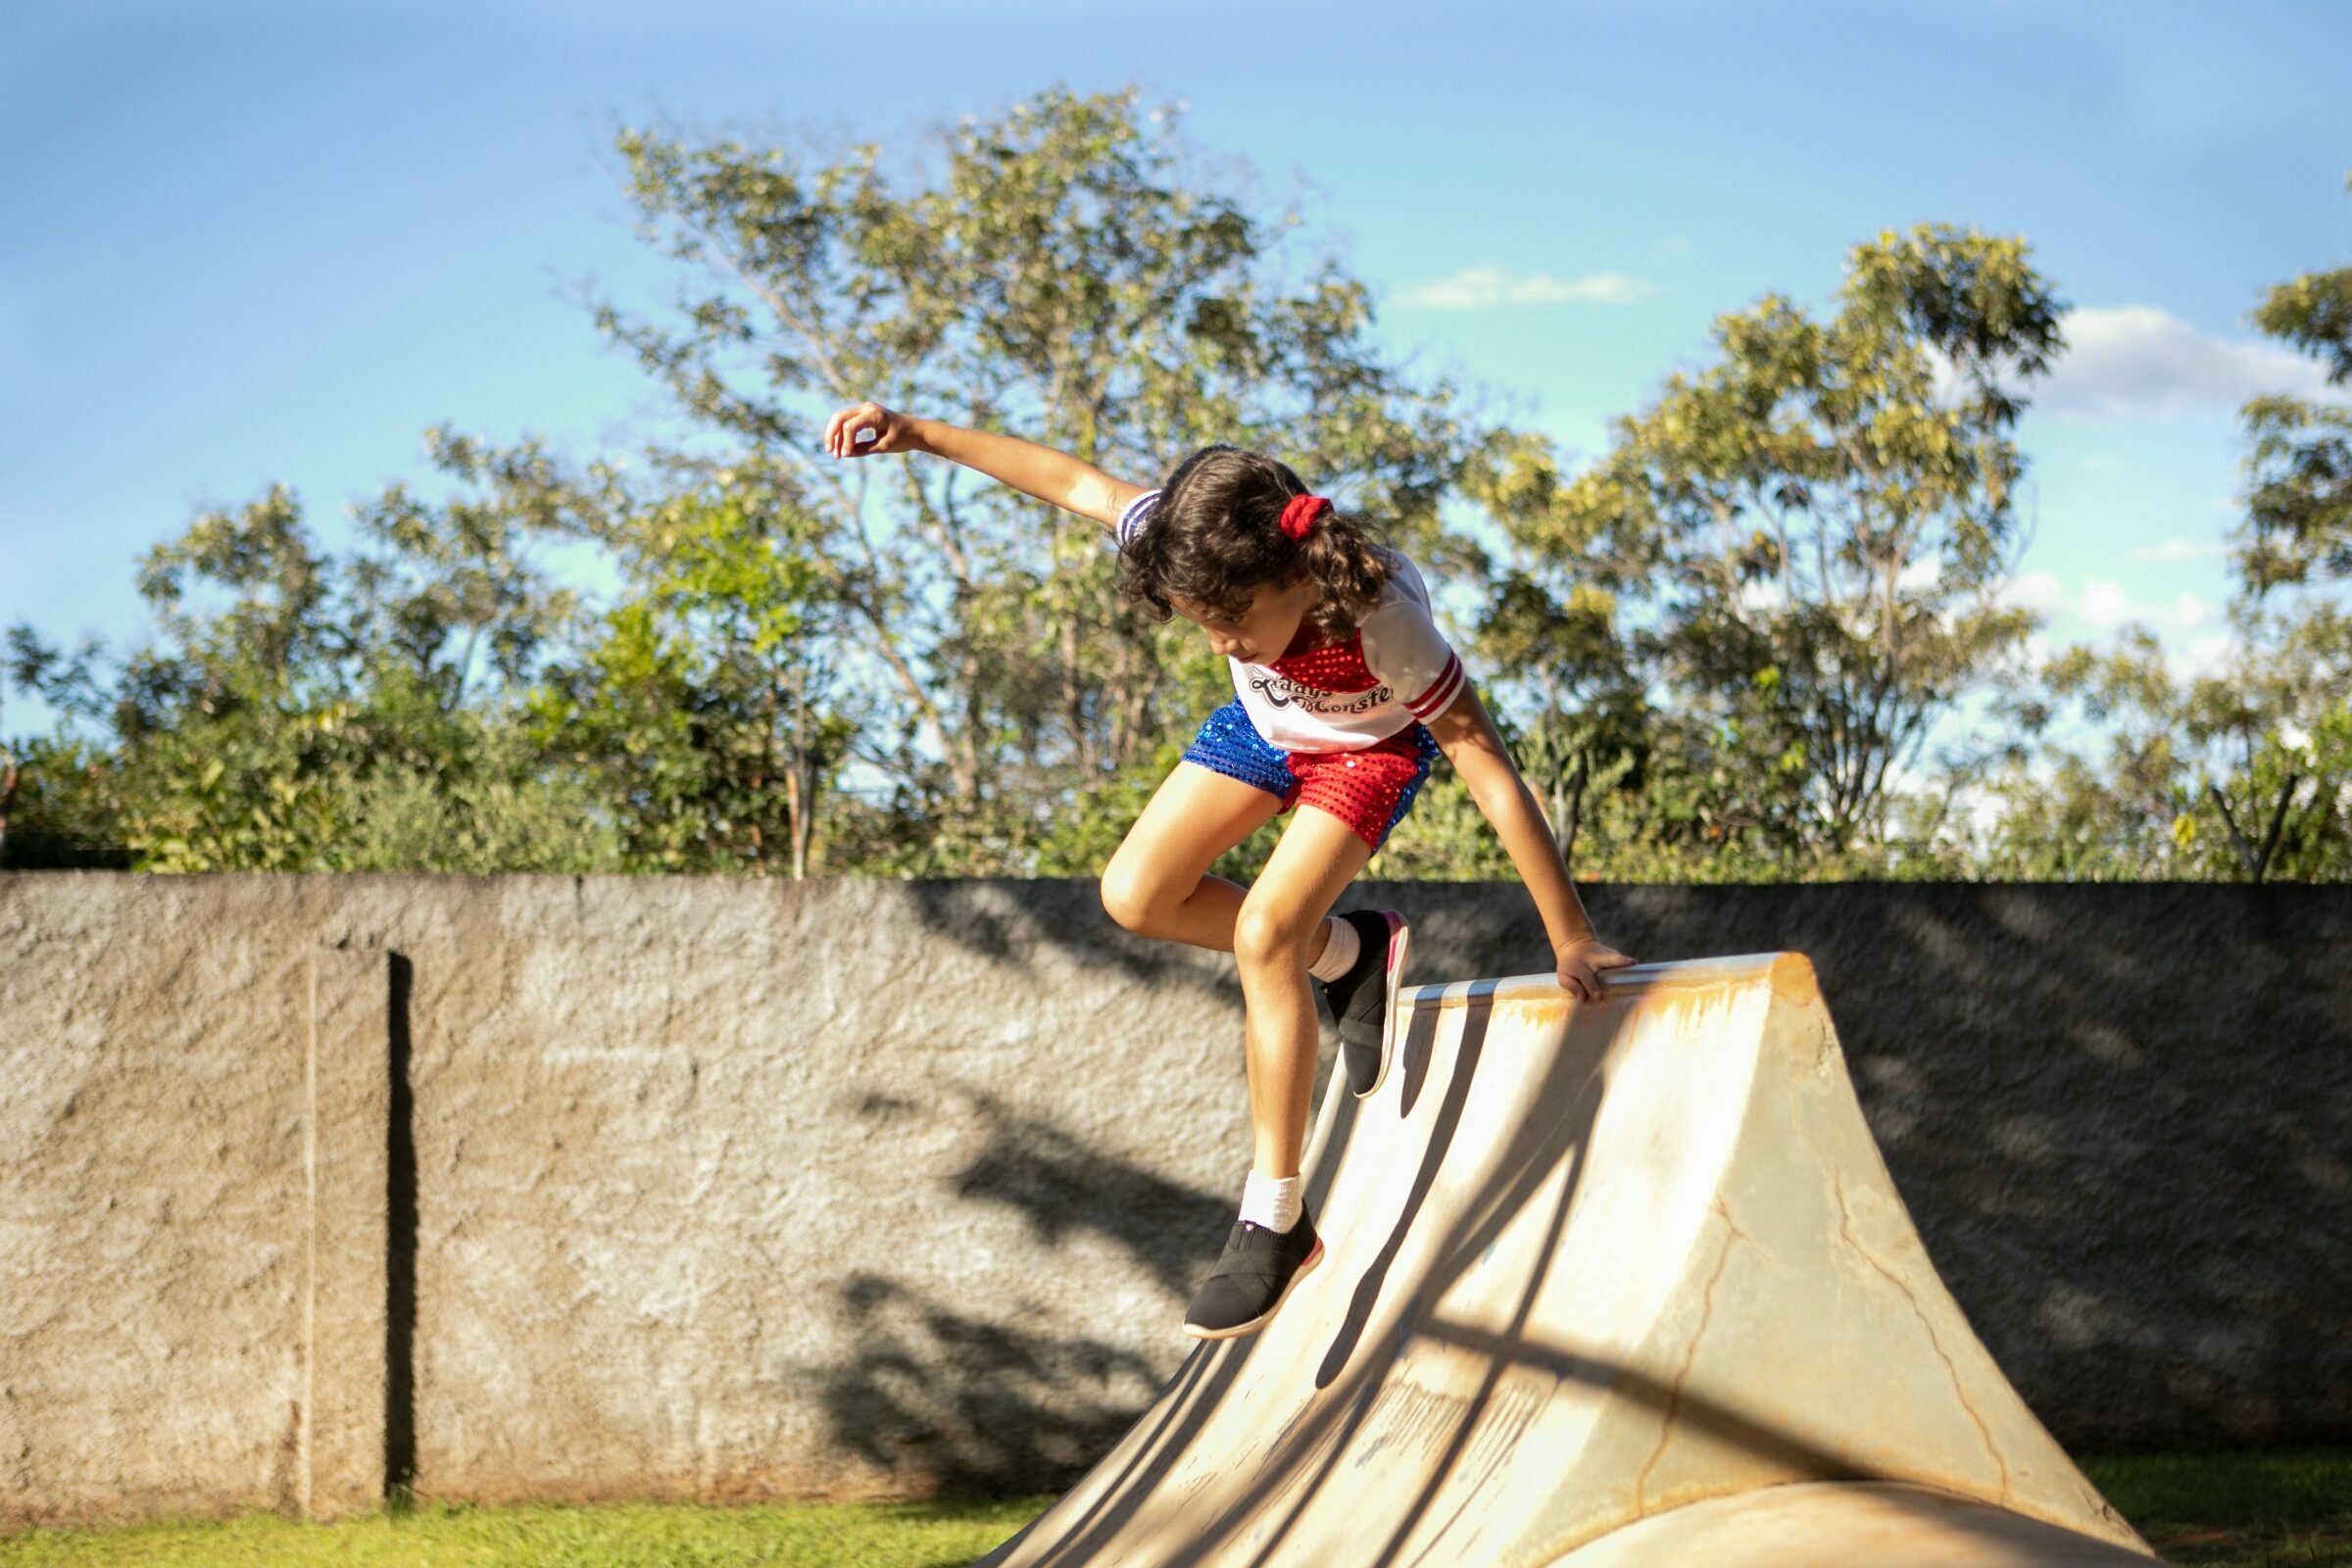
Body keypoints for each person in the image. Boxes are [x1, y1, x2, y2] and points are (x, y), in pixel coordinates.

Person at [821, 402, 1637, 1341]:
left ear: (1293, 574)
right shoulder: (1199, 536)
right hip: (1265, 732)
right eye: (1199, 623)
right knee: (1134, 894)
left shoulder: (1385, 620)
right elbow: (1077, 484)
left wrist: (1570, 933)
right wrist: (923, 435)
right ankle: (1350, 956)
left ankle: (1276, 1219)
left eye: (1232, 622)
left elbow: (1486, 766)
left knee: (1262, 935)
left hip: (1365, 753)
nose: (1218, 644)